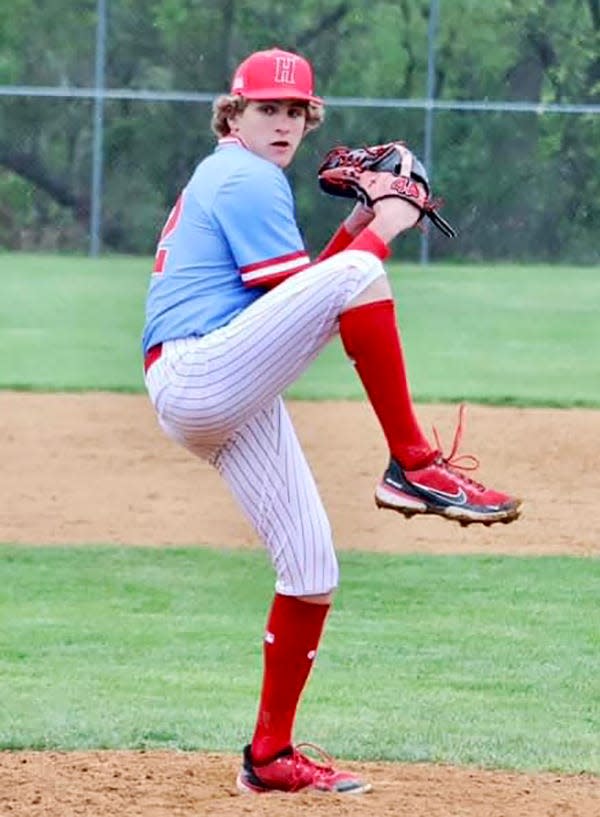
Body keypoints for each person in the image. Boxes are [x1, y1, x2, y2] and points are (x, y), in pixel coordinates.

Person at [142, 47, 521, 795]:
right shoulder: (244, 175)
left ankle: (269, 755)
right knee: (362, 272)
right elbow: (334, 289)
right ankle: (413, 463)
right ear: (234, 113)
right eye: (266, 109)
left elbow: (298, 297)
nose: (283, 124)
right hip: (200, 371)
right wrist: (390, 221)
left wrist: (356, 224)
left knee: (312, 570)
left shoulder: (238, 176)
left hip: (218, 381)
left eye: (295, 112)